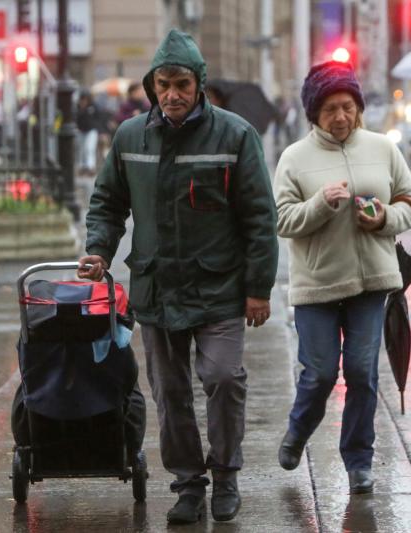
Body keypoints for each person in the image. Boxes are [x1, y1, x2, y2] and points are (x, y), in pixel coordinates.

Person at [77, 29, 278, 524]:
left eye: (181, 84)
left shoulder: (235, 136)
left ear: (199, 85)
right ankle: (189, 483)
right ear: (152, 86)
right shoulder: (129, 137)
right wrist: (99, 250)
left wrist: (258, 289)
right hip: (157, 288)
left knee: (223, 377)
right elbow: (107, 202)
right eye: (163, 84)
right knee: (169, 393)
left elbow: (259, 217)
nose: (172, 94)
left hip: (220, 288)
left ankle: (226, 475)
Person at [273, 61, 411, 494]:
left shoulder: (382, 148)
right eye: (330, 109)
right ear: (314, 115)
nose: (341, 117)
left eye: (348, 107)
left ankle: (359, 460)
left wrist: (383, 219)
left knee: (361, 371)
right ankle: (299, 430)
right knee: (319, 373)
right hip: (318, 284)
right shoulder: (294, 158)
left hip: (373, 281)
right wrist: (320, 203)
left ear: (358, 107)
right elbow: (283, 220)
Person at [76, 90, 101, 174]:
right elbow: (76, 118)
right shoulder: (78, 107)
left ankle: (90, 166)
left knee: (89, 148)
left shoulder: (94, 106)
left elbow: (99, 118)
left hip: (91, 130)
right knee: (81, 149)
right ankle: (81, 166)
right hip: (80, 130)